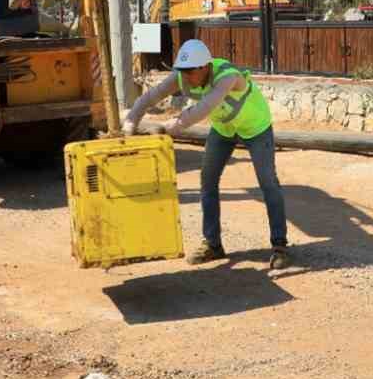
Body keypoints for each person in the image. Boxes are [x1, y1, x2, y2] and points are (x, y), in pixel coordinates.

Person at [123, 39, 291, 269]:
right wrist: (130, 122)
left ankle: (279, 245)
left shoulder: (227, 76)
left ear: (205, 67)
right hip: (224, 128)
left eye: (191, 72)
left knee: (268, 182)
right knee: (207, 181)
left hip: (255, 127)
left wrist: (165, 128)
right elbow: (151, 97)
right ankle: (213, 244)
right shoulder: (183, 75)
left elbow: (204, 108)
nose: (186, 77)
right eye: (183, 72)